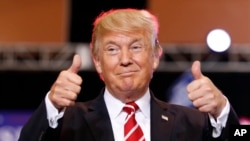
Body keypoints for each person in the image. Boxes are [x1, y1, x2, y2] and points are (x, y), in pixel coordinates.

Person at [18, 8, 239, 141]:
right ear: (97, 61)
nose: (125, 59)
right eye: (112, 49)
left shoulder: (193, 123)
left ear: (155, 56)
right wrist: (52, 104)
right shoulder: (68, 122)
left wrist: (222, 110)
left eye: (136, 47)